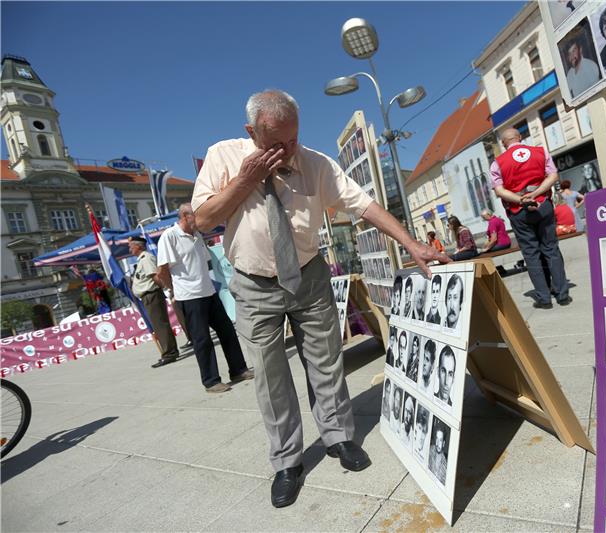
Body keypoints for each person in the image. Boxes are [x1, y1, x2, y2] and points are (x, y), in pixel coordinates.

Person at [192, 89, 448, 508]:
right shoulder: (222, 156)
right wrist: (247, 179)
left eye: (293, 139)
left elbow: (364, 206)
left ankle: (339, 437)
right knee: (270, 376)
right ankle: (287, 461)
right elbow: (203, 219)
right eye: (276, 143)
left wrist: (411, 243)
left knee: (326, 360)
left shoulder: (314, 162)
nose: (288, 150)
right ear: (250, 131)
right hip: (254, 284)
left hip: (309, 276)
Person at [156, 204, 253, 393]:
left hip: (208, 292)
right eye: (197, 215)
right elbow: (162, 270)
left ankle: (238, 370)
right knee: (202, 340)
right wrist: (173, 290)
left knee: (227, 331)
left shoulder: (197, 235)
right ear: (185, 216)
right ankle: (211, 381)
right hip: (189, 296)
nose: (201, 219)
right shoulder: (170, 236)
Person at [490, 128, 571, 309]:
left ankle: (544, 298)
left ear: (504, 143)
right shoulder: (540, 152)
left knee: (531, 254)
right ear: (520, 138)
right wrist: (536, 193)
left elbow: (499, 190)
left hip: (519, 211)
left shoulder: (497, 163)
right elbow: (553, 176)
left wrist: (521, 199)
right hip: (543, 205)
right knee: (551, 249)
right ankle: (562, 294)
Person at [128, 236, 180, 368]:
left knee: (160, 324)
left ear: (138, 246)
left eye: (131, 246)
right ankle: (170, 351)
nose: (129, 249)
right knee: (159, 324)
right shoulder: (142, 259)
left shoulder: (146, 258)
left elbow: (155, 276)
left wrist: (165, 287)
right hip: (149, 296)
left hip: (152, 295)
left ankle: (169, 353)